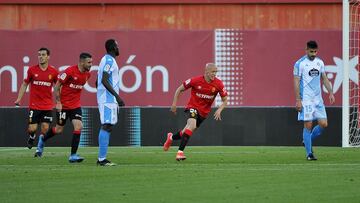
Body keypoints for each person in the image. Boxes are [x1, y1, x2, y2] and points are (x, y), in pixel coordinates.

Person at [34, 52, 92, 163]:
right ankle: (43, 139)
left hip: (75, 106)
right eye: (89, 62)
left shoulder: (87, 75)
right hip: (63, 106)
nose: (90, 65)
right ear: (81, 62)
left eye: (91, 62)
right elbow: (56, 87)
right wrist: (58, 102)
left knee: (79, 126)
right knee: (58, 129)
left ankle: (73, 155)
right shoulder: (69, 71)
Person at [163, 63, 228, 161]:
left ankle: (171, 138)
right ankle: (180, 153)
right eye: (212, 72)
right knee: (192, 125)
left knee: (186, 131)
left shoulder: (218, 84)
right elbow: (179, 89)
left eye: (216, 72)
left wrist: (219, 109)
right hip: (192, 107)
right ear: (206, 72)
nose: (214, 74)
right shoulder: (195, 81)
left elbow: (225, 100)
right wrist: (174, 104)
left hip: (204, 113)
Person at [293, 40, 335, 161]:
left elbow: (324, 78)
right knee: (308, 125)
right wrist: (298, 100)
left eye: (315, 51)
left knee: (323, 124)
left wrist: (331, 92)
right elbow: (296, 81)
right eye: (311, 51)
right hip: (306, 100)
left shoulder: (319, 62)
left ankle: (307, 141)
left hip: (318, 100)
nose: (313, 54)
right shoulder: (299, 64)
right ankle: (309, 153)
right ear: (306, 50)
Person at [14, 47, 58, 149]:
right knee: (32, 128)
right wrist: (19, 99)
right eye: (39, 55)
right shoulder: (32, 70)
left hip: (47, 105)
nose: (41, 57)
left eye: (43, 55)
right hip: (34, 105)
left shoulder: (54, 72)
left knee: (45, 128)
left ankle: (39, 148)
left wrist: (59, 101)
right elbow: (24, 84)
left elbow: (58, 87)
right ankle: (32, 136)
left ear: (48, 57)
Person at [96, 39, 125, 166]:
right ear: (113, 47)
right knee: (107, 125)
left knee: (109, 126)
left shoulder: (105, 60)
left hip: (106, 98)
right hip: (108, 99)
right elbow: (104, 80)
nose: (119, 48)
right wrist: (117, 97)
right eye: (117, 46)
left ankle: (102, 158)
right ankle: (102, 159)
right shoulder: (109, 60)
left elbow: (98, 81)